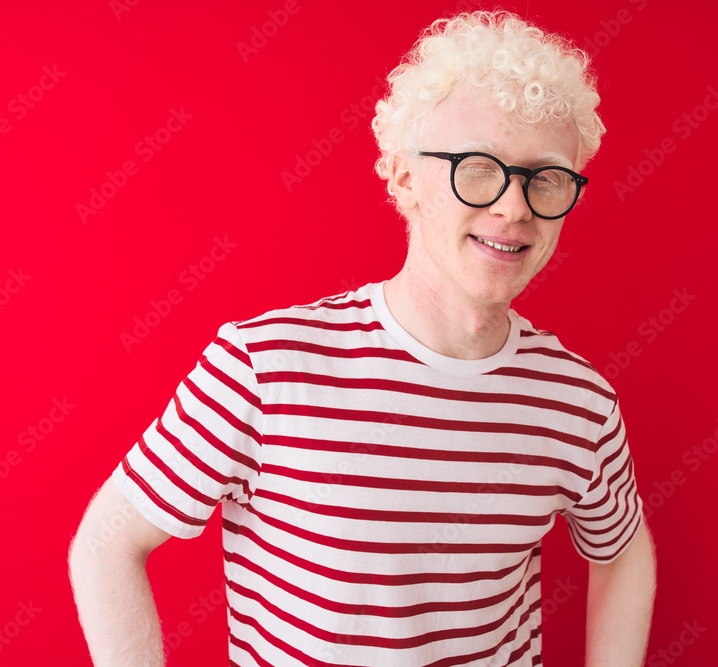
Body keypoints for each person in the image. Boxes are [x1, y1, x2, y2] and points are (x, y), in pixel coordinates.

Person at [69, 10, 656, 666]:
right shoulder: (264, 366)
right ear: (405, 178)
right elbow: (106, 543)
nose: (514, 206)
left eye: (544, 176)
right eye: (480, 167)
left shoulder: (578, 401)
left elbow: (625, 552)